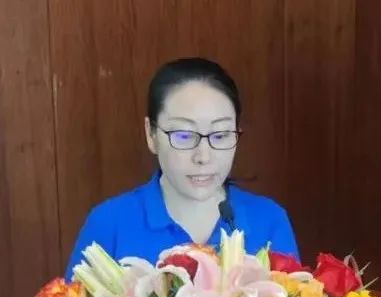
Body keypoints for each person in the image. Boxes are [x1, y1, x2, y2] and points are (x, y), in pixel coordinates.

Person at [64, 57, 299, 279]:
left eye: (220, 135)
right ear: (151, 134)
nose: (203, 157)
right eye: (184, 135)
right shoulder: (108, 223)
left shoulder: (269, 221)